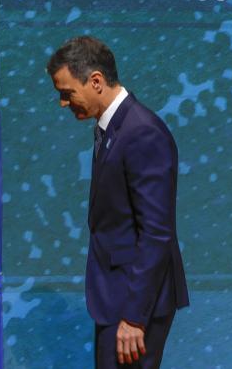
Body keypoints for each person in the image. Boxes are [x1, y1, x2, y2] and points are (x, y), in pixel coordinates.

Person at [47, 36, 189, 367]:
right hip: (117, 296)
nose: (63, 103)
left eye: (67, 93)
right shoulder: (113, 128)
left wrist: (135, 317)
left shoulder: (141, 132)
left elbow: (156, 232)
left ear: (95, 80)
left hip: (134, 304)